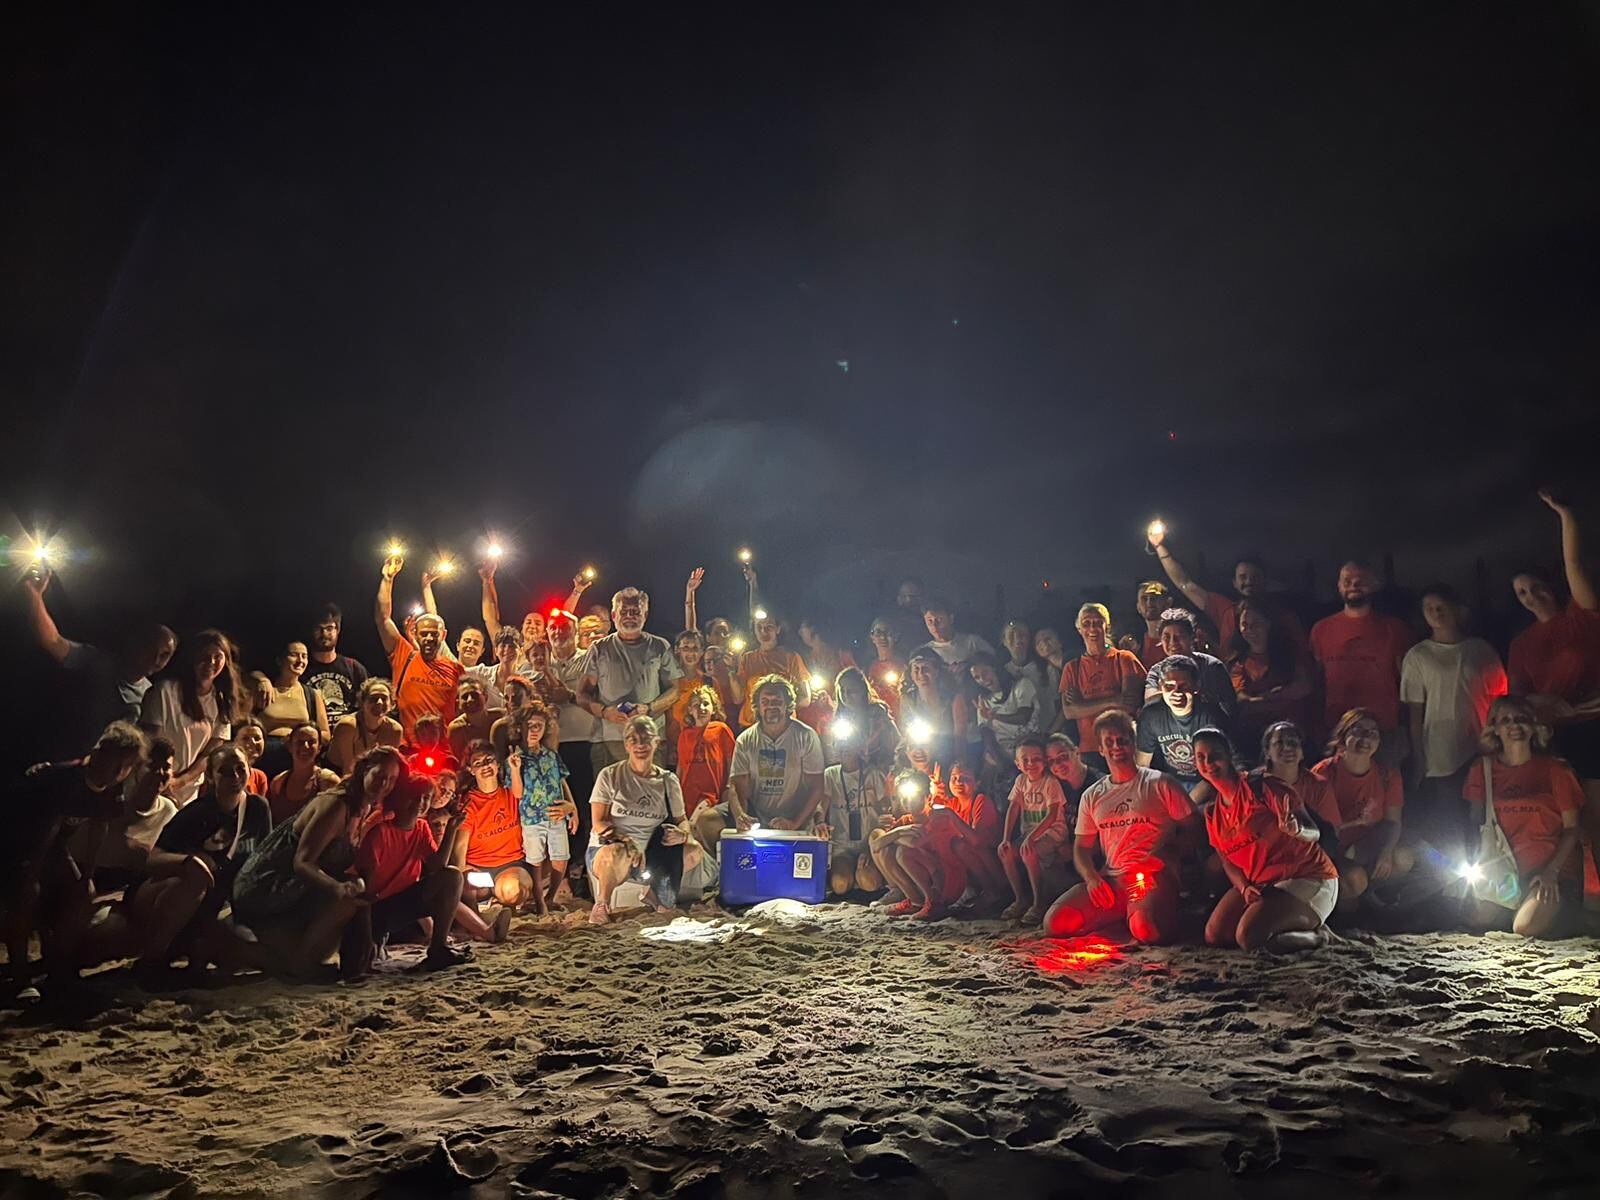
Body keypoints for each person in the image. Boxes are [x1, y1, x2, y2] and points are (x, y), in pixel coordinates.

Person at [232, 747, 403, 980]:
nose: (384, 784)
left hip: (298, 890)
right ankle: (301, 962)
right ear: (364, 770)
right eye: (380, 775)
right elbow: (302, 862)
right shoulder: (337, 805)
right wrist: (337, 887)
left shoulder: (364, 808)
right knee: (346, 901)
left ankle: (309, 957)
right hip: (269, 885)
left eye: (391, 779)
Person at [2, 721, 148, 990]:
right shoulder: (65, 779)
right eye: (116, 762)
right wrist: (31, 875)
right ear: (99, 753)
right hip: (14, 844)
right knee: (27, 894)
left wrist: (87, 874)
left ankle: (56, 963)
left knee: (84, 892)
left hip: (53, 847)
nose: (118, 771)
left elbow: (99, 825)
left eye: (126, 767)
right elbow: (46, 829)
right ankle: (20, 973)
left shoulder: (112, 787)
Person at [1508, 489, 1600, 909]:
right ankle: (1573, 901)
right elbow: (1520, 700)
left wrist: (1566, 515)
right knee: (1568, 822)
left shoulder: (1580, 617)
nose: (1530, 596)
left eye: (1534, 587)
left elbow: (1574, 563)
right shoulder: (1522, 644)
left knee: (1595, 818)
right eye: (1521, 593)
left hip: (1593, 728)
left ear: (1550, 585)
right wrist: (1549, 704)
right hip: (1554, 737)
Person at [1043, 711, 1200, 944]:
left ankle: (1145, 912)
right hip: (1113, 878)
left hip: (1152, 876)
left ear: (1132, 743)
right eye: (1109, 742)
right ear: (1101, 749)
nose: (1117, 747)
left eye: (1122, 740)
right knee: (1056, 923)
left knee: (1147, 930)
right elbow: (1082, 848)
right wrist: (1091, 877)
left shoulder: (1160, 783)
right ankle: (1123, 912)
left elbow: (1195, 827)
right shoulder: (1093, 795)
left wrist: (1169, 855)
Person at [1195, 728, 1338, 951]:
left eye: (1215, 755)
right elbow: (1227, 860)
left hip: (1304, 875)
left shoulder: (1263, 786)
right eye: (1201, 757)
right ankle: (1279, 921)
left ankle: (1319, 938)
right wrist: (1243, 888)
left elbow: (1314, 832)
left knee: (1249, 937)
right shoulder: (1213, 812)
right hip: (1263, 883)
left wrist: (1296, 829)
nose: (1209, 762)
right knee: (1216, 935)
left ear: (1229, 755)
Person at [1461, 696, 1584, 938]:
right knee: (1476, 919)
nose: (1514, 725)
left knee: (1524, 928)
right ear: (1495, 728)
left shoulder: (1555, 770)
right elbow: (1475, 824)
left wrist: (1552, 872)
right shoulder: (1482, 769)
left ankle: (1555, 910)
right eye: (1505, 720)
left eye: (1521, 719)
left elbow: (1572, 829)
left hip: (1550, 872)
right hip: (1505, 873)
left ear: (1533, 726)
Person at [1400, 584, 1508, 854]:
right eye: (1429, 609)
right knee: (1448, 821)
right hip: (1440, 751)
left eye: (1441, 608)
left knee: (1480, 816)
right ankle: (1451, 888)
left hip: (1480, 747)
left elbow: (1500, 697)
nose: (1435, 614)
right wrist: (1418, 755)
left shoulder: (1481, 650)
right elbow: (1415, 711)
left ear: (1457, 611)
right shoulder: (1418, 656)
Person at [149, 745, 273, 975]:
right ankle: (157, 957)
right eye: (225, 771)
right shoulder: (196, 814)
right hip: (191, 903)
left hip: (228, 903)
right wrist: (187, 861)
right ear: (211, 776)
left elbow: (263, 859)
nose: (235, 777)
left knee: (248, 956)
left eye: (240, 769)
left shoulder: (257, 808)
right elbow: (153, 858)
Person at [20, 566, 176, 737]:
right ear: (136, 644)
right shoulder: (98, 662)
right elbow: (53, 641)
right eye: (151, 648)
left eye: (164, 655)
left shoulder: (151, 694)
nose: (156, 658)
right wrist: (34, 594)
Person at [588, 715, 707, 923]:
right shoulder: (610, 775)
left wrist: (683, 834)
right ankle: (602, 904)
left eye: (646, 739)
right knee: (615, 852)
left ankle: (655, 894)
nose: (640, 745)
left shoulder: (668, 780)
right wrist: (627, 842)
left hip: (653, 852)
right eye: (634, 739)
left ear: (656, 742)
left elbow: (682, 820)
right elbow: (599, 823)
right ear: (626, 745)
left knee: (694, 849)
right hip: (614, 850)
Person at [353, 775, 478, 969]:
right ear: (400, 798)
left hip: (405, 903)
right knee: (362, 960)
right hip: (377, 907)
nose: (420, 803)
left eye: (426, 798)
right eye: (414, 797)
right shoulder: (381, 833)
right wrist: (366, 936)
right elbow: (364, 888)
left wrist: (452, 829)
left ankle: (438, 947)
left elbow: (438, 867)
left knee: (452, 876)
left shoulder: (421, 828)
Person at [695, 676, 825, 845]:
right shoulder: (746, 739)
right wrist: (741, 816)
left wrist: (795, 823)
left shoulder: (805, 735)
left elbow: (816, 787)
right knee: (706, 821)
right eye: (765, 701)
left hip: (794, 812)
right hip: (756, 811)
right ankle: (722, 865)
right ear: (757, 705)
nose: (771, 705)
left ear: (787, 704)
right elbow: (736, 786)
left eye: (777, 700)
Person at [1308, 709, 1415, 911]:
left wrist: (1386, 851)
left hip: (1367, 847)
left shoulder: (1386, 775)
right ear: (1343, 736)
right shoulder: (1324, 773)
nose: (1366, 738)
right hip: (1333, 851)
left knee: (1403, 857)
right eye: (1358, 731)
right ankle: (1350, 899)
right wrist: (1354, 824)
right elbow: (1318, 828)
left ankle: (1370, 894)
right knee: (1354, 883)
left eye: (1373, 733)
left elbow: (1393, 821)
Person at [1308, 561, 1415, 750]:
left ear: (1374, 585)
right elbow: (1317, 682)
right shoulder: (1321, 629)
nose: (1353, 586)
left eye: (1360, 581)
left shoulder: (1395, 629)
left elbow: (1407, 685)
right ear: (1339, 586)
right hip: (1336, 729)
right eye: (1347, 581)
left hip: (1383, 731)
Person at [1147, 527, 1306, 651]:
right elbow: (1185, 584)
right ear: (1234, 583)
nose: (1249, 581)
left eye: (1255, 577)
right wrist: (1159, 547)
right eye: (1243, 577)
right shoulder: (1225, 609)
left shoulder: (1283, 617)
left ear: (1265, 581)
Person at [576, 587, 683, 771]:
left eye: (635, 612)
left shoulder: (659, 646)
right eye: (624, 611)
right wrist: (605, 712)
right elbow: (582, 694)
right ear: (614, 614)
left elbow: (676, 689)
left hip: (650, 739)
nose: (630, 616)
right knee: (609, 798)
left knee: (651, 796)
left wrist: (649, 708)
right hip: (609, 741)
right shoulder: (599, 648)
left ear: (645, 614)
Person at [141, 629, 242, 805]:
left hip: (187, 791)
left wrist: (180, 781)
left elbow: (210, 752)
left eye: (217, 657)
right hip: (152, 782)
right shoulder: (165, 691)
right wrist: (162, 779)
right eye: (204, 656)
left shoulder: (221, 701)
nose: (210, 662)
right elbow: (149, 741)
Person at [375, 551, 463, 739]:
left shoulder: (457, 669)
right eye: (424, 634)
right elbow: (383, 619)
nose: (429, 638)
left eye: (434, 634)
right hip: (407, 751)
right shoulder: (404, 656)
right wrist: (387, 579)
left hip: (445, 754)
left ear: (444, 635)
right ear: (415, 634)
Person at [505, 702, 578, 915]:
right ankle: (539, 900)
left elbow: (562, 781)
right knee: (535, 860)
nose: (535, 729)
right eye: (530, 725)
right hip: (532, 817)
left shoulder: (551, 755)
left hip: (556, 813)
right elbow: (517, 793)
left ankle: (550, 896)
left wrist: (572, 808)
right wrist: (515, 770)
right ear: (520, 727)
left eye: (539, 725)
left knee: (561, 856)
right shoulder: (516, 758)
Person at [1226, 601, 1314, 757]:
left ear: (1268, 624)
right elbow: (1241, 697)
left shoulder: (1289, 656)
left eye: (1256, 624)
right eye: (1244, 625)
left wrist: (1272, 696)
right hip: (1254, 739)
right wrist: (1269, 697)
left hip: (1290, 736)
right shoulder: (1238, 661)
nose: (1250, 630)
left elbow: (1305, 687)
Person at [452, 740, 533, 909]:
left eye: (489, 760)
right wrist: (461, 874)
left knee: (513, 891)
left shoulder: (511, 792)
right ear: (471, 770)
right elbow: (460, 846)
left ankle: (499, 900)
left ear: (497, 764)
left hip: (511, 864)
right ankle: (483, 908)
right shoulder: (469, 803)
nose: (485, 766)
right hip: (478, 868)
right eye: (478, 763)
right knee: (468, 887)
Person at [998, 737, 1072, 922]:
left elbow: (1053, 815)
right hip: (1029, 834)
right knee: (1006, 852)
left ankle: (1039, 903)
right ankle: (1020, 899)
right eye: (1025, 759)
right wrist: (1006, 838)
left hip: (1052, 833)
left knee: (1029, 852)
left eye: (1036, 758)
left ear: (1044, 761)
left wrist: (1031, 838)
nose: (1030, 763)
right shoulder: (1021, 781)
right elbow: (1013, 808)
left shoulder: (1050, 782)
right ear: (1017, 763)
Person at [1059, 603, 1144, 757]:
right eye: (1086, 623)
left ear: (1107, 626)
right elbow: (1070, 711)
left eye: (1098, 623)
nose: (1092, 629)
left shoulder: (1124, 658)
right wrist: (1112, 701)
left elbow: (1128, 705)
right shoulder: (1072, 668)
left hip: (1123, 745)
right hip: (1090, 749)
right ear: (1079, 629)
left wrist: (1083, 706)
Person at [1136, 656, 1232, 792]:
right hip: (1170, 784)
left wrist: (1187, 805)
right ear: (1160, 686)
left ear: (1196, 685)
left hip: (1208, 784)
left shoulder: (1210, 714)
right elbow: (1142, 765)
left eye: (1183, 686)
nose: (1176, 692)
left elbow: (1219, 769)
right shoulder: (1151, 715)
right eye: (1169, 686)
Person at [821, 735, 891, 896]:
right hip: (842, 845)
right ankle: (851, 875)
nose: (846, 749)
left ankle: (863, 875)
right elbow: (822, 805)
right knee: (839, 884)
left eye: (850, 744)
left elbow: (885, 807)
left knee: (869, 882)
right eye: (841, 744)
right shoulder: (830, 775)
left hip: (868, 843)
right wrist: (819, 821)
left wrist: (871, 848)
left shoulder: (873, 774)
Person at [257, 641, 332, 776]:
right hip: (264, 756)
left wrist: (299, 737)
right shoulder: (264, 690)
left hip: (300, 755)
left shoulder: (312, 694)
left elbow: (326, 735)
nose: (300, 660)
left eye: (304, 656)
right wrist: (260, 679)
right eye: (294, 655)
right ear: (280, 660)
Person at [1142, 609, 1236, 716]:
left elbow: (1229, 706)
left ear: (1192, 637)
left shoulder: (1212, 666)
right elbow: (1150, 700)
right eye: (1166, 637)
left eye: (1179, 636)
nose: (1173, 642)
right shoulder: (1157, 671)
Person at [970, 653, 1043, 779]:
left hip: (1033, 755)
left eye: (985, 672)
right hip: (1005, 760)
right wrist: (1002, 767)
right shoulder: (983, 701)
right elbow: (987, 737)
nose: (982, 679)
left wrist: (995, 716)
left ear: (995, 668)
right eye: (977, 677)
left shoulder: (1022, 685)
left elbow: (1023, 718)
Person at [731, 612, 810, 728]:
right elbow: (738, 698)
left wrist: (782, 711)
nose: (763, 631)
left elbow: (805, 697)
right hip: (752, 725)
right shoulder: (747, 658)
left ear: (778, 629)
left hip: (784, 727)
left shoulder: (791, 657)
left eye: (769, 627)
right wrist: (731, 672)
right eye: (759, 627)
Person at [898, 649, 972, 771]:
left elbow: (960, 735)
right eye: (916, 669)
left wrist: (959, 763)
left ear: (936, 672)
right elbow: (905, 732)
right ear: (910, 674)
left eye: (926, 669)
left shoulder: (953, 699)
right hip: (920, 753)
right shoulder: (908, 699)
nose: (921, 674)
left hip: (946, 753)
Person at [303, 604, 369, 730]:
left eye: (329, 628)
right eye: (319, 629)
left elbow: (369, 699)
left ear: (338, 630)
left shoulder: (353, 668)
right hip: (313, 741)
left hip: (348, 739)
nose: (324, 634)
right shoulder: (301, 666)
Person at [677, 684, 736, 819]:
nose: (701, 708)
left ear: (714, 708)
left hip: (712, 792)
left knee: (700, 824)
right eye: (696, 705)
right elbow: (681, 767)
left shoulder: (721, 729)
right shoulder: (684, 735)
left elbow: (732, 761)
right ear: (690, 710)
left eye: (705, 704)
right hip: (688, 793)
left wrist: (728, 787)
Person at [328, 678, 404, 776]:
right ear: (362, 702)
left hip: (368, 775)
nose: (379, 702)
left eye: (384, 698)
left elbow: (387, 766)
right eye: (374, 698)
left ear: (392, 705)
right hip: (337, 773)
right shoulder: (348, 726)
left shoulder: (395, 730)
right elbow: (347, 769)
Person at [266, 723, 340, 824]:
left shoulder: (328, 781)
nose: (305, 746)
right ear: (290, 746)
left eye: (311, 742)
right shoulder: (278, 782)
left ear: (319, 748)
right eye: (299, 742)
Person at [829, 666, 898, 773]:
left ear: (862, 690)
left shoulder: (877, 713)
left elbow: (896, 743)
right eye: (842, 690)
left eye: (852, 691)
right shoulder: (841, 718)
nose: (846, 695)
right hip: (852, 773)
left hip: (879, 769)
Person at [917, 598, 994, 671]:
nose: (934, 625)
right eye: (929, 621)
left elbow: (994, 661)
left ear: (951, 618)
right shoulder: (924, 652)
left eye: (939, 619)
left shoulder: (972, 642)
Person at [463, 627, 520, 711]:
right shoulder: (482, 674)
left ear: (521, 651)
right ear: (496, 650)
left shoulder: (525, 679)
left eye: (512, 646)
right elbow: (457, 671)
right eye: (503, 646)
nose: (507, 650)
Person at [447, 676, 502, 761]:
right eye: (465, 697)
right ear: (458, 703)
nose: (470, 700)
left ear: (485, 697)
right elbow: (459, 761)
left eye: (474, 695)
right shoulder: (456, 729)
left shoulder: (500, 717)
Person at [864, 618, 907, 722]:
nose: (883, 637)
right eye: (878, 632)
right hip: (878, 721)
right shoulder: (867, 667)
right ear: (872, 637)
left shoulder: (906, 665)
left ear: (896, 636)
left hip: (902, 719)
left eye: (887, 632)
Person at [1129, 581, 1173, 668]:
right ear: (1138, 607)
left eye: (1154, 598)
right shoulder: (1136, 644)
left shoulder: (1178, 639)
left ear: (1168, 603)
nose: (1149, 603)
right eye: (1144, 598)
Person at [232, 720, 270, 797]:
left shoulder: (259, 777)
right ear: (234, 742)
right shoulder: (224, 774)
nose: (253, 742)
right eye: (245, 738)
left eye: (257, 738)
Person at [1033, 627, 1066, 702]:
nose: (1043, 643)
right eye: (1038, 642)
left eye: (1047, 638)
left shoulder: (1076, 660)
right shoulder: (1048, 672)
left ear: (1060, 641)